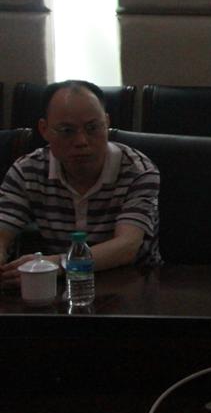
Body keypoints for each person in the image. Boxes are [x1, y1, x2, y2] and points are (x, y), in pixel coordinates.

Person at [0, 80, 161, 284]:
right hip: (64, 287)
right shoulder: (27, 170)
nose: (81, 141)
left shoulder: (137, 170)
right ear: (44, 129)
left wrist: (58, 264)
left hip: (133, 283)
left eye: (93, 128)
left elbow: (127, 246)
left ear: (107, 123)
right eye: (67, 131)